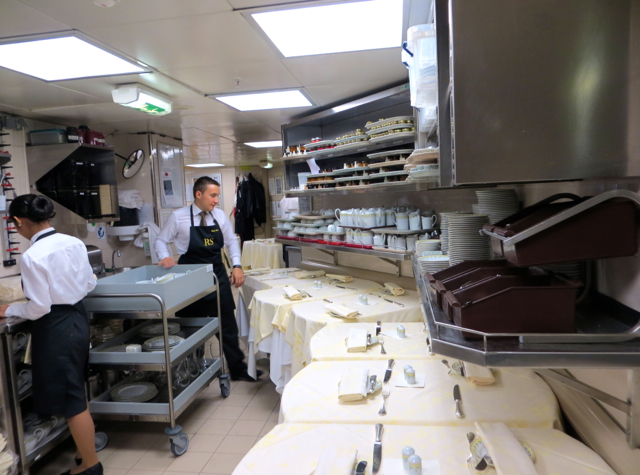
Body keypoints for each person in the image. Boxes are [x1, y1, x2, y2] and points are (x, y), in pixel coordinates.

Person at [0, 195, 101, 475]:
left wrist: (9, 309)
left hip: (56, 326)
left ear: (19, 221)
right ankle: (84, 455)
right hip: (78, 318)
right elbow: (90, 281)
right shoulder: (74, 242)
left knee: (71, 400)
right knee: (76, 390)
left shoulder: (33, 255)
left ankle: (91, 466)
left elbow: (39, 307)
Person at [155, 177, 260, 382]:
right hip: (189, 277)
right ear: (198, 194)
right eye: (213, 195)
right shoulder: (178, 217)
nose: (216, 201)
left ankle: (238, 369)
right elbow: (160, 240)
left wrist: (237, 266)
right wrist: (164, 256)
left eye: (218, 196)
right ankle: (189, 369)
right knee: (191, 325)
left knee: (227, 323)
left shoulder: (219, 216)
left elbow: (231, 242)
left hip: (217, 273)